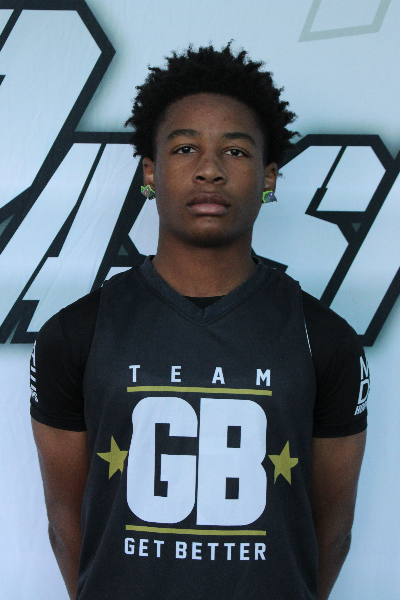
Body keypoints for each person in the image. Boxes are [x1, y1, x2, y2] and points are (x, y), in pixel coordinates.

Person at [30, 44, 368, 600]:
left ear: (269, 177)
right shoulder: (75, 335)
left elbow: (331, 536)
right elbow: (67, 529)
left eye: (235, 151)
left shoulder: (325, 339)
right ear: (150, 171)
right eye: (185, 148)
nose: (210, 170)